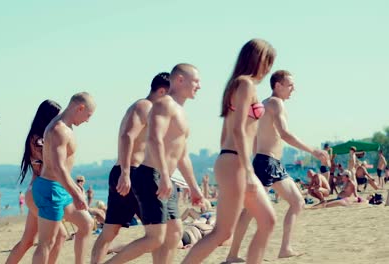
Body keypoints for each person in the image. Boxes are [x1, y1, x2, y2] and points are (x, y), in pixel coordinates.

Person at [183, 39, 277, 264]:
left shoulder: (236, 84)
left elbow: (227, 130)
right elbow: (237, 130)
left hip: (230, 160)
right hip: (235, 162)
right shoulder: (245, 84)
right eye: (268, 62)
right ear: (257, 60)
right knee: (224, 232)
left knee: (266, 221)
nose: (269, 68)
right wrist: (248, 170)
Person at [103, 64, 204, 264]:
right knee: (155, 238)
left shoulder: (181, 112)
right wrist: (165, 177)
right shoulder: (163, 105)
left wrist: (194, 187)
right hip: (151, 176)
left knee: (174, 233)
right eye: (196, 81)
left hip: (164, 177)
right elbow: (154, 139)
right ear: (180, 80)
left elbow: (182, 155)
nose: (199, 86)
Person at [227, 70, 329, 262]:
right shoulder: (275, 103)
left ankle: (285, 248)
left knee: (297, 201)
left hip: (270, 162)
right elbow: (285, 134)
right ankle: (232, 254)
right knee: (249, 211)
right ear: (277, 86)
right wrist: (313, 151)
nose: (293, 89)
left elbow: (257, 138)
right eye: (289, 85)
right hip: (266, 163)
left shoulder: (264, 104)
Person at [90, 72, 170, 264]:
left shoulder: (150, 109)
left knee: (110, 232)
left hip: (130, 172)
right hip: (133, 173)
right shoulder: (145, 106)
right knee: (157, 235)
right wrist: (126, 173)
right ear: (161, 91)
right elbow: (127, 136)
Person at [31, 92, 95, 264]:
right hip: (50, 189)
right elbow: (57, 167)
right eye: (88, 115)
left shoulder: (67, 126)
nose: (88, 120)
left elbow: (63, 167)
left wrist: (74, 187)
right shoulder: (58, 129)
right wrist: (75, 193)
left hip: (60, 188)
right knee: (47, 242)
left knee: (87, 224)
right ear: (80, 107)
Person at [6, 99, 66, 264]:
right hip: (40, 191)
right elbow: (50, 165)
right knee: (60, 236)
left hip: (36, 190)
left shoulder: (40, 137)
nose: (60, 120)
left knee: (28, 241)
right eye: (57, 116)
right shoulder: (38, 139)